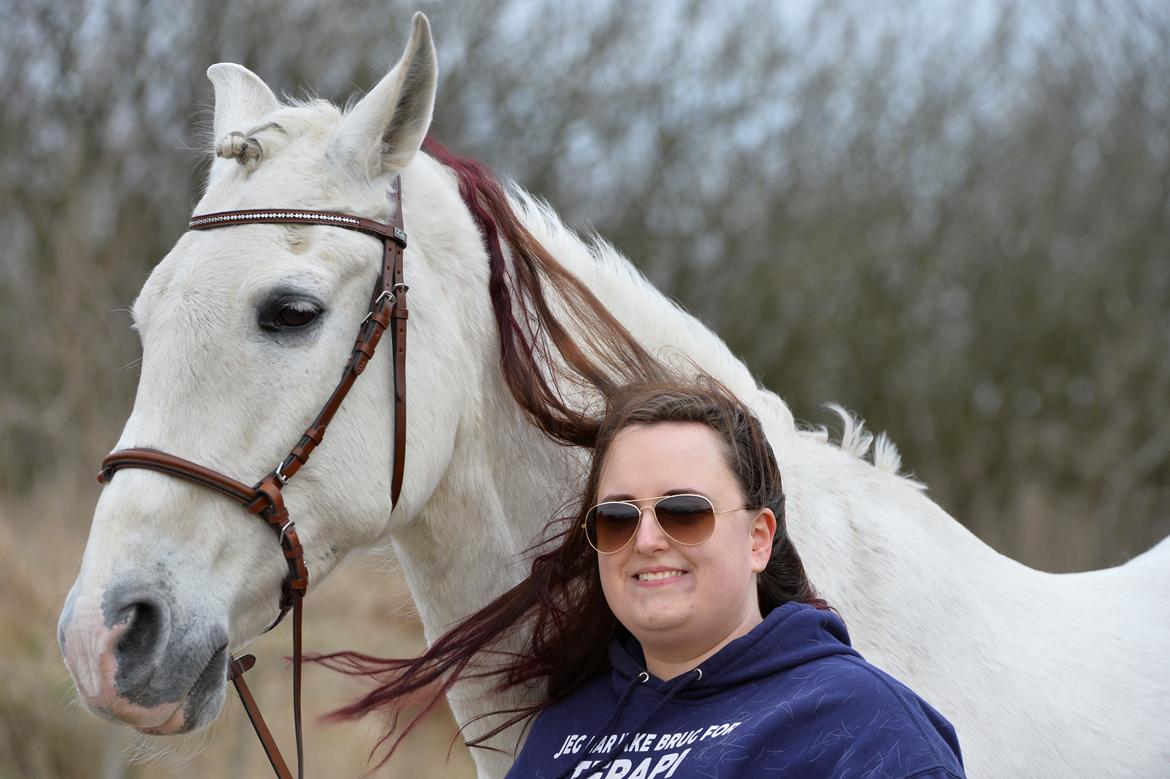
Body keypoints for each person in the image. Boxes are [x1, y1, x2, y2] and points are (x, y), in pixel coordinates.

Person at [317, 377, 965, 778]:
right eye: (619, 517)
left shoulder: (864, 725)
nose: (648, 538)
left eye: (685, 511)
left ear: (759, 537)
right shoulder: (564, 732)